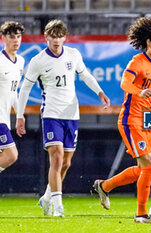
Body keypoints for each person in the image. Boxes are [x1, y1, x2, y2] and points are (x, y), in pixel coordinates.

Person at [93, 17, 151, 223]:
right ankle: (141, 214)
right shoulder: (137, 62)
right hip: (132, 119)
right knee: (150, 166)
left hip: (150, 118)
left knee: (143, 169)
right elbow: (125, 83)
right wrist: (139, 91)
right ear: (148, 43)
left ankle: (104, 186)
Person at [16, 19, 110, 217]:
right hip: (51, 114)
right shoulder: (38, 61)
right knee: (56, 157)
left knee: (66, 163)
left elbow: (85, 75)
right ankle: (58, 205)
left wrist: (100, 92)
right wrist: (20, 115)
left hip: (71, 114)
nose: (56, 40)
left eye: (60, 36)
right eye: (53, 36)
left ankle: (47, 197)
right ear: (46, 37)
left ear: (65, 38)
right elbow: (25, 88)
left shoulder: (73, 55)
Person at [0, 21, 25, 174]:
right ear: (3, 38)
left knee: (9, 155)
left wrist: (19, 115)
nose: (16, 40)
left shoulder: (20, 61)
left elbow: (14, 91)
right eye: (11, 37)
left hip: (4, 118)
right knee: (11, 155)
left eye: (18, 36)